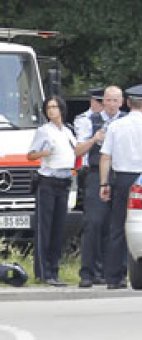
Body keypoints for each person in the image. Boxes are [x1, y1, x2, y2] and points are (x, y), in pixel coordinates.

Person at [99, 84, 142, 289]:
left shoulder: (116, 126)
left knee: (117, 228)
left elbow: (105, 157)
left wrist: (104, 183)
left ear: (127, 103)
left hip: (121, 179)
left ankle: (113, 277)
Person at [74, 86, 126, 288]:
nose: (112, 104)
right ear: (103, 101)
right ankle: (87, 272)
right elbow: (78, 151)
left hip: (119, 173)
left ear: (122, 102)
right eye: (108, 100)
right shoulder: (90, 120)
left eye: (116, 100)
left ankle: (114, 272)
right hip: (96, 173)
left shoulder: (127, 122)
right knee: (93, 223)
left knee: (117, 225)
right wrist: (94, 139)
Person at [28, 96, 83, 286]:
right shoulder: (44, 131)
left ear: (62, 109)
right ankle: (43, 272)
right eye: (48, 108)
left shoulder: (67, 131)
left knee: (58, 228)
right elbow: (30, 155)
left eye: (55, 107)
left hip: (64, 181)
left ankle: (54, 269)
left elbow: (75, 152)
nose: (51, 111)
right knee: (45, 228)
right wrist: (43, 153)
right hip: (48, 182)